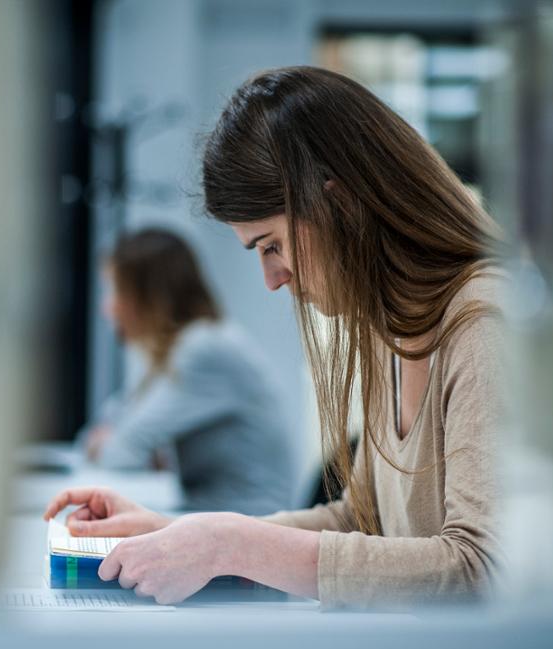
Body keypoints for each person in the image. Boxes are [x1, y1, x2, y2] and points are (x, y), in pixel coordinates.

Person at [43, 66, 508, 609]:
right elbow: (361, 523)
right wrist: (177, 535)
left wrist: (230, 544)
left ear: (340, 205)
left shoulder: (484, 322)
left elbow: (479, 570)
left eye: (271, 245)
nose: (272, 279)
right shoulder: (394, 331)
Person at [81, 227, 297, 515]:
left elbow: (119, 451)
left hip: (248, 519)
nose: (106, 308)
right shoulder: (181, 347)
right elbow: (109, 429)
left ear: (149, 296)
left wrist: (124, 446)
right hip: (213, 512)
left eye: (116, 290)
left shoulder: (203, 350)